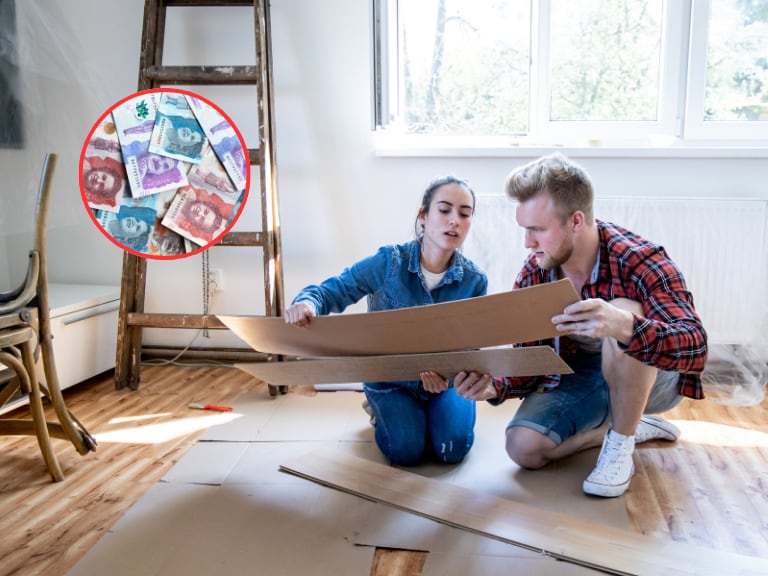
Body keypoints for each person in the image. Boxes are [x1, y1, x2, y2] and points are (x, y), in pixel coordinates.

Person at [453, 153, 708, 498]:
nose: (527, 242)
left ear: (576, 221)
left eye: (537, 230)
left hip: (651, 378)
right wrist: (493, 387)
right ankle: (626, 429)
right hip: (584, 377)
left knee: (624, 308)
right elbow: (531, 360)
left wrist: (625, 326)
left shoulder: (638, 259)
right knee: (523, 448)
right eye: (525, 229)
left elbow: (695, 345)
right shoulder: (537, 271)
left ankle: (620, 444)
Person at [284, 176, 488, 467]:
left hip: (447, 383)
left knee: (451, 450)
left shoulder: (475, 280)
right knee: (405, 451)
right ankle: (383, 408)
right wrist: (307, 302)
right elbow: (334, 289)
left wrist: (451, 378)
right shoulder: (388, 262)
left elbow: (473, 349)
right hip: (392, 380)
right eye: (444, 210)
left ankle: (433, 414)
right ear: (423, 215)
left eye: (464, 214)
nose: (454, 220)